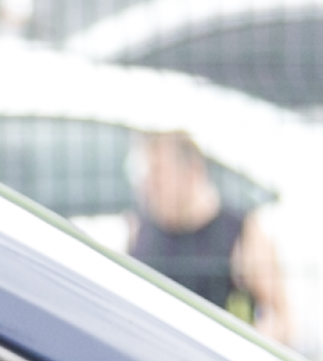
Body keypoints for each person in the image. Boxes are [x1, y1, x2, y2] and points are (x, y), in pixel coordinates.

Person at [126, 126, 296, 348]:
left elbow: (282, 320)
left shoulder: (241, 232)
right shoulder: (141, 231)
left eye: (159, 175)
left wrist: (244, 348)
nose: (150, 187)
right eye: (147, 177)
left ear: (192, 171)